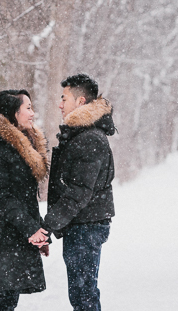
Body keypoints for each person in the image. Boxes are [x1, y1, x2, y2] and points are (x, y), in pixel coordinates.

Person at [33, 74, 116, 311]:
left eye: (64, 98)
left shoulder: (89, 138)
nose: (60, 104)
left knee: (83, 294)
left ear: (80, 101)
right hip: (82, 224)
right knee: (81, 293)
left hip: (86, 226)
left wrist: (47, 226)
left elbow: (79, 191)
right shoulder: (82, 134)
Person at [0, 89, 51, 311]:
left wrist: (38, 233)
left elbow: (26, 197)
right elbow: (2, 197)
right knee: (6, 301)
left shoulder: (22, 146)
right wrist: (31, 229)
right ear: (13, 113)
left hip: (18, 231)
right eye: (28, 108)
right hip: (5, 233)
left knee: (8, 300)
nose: (33, 113)